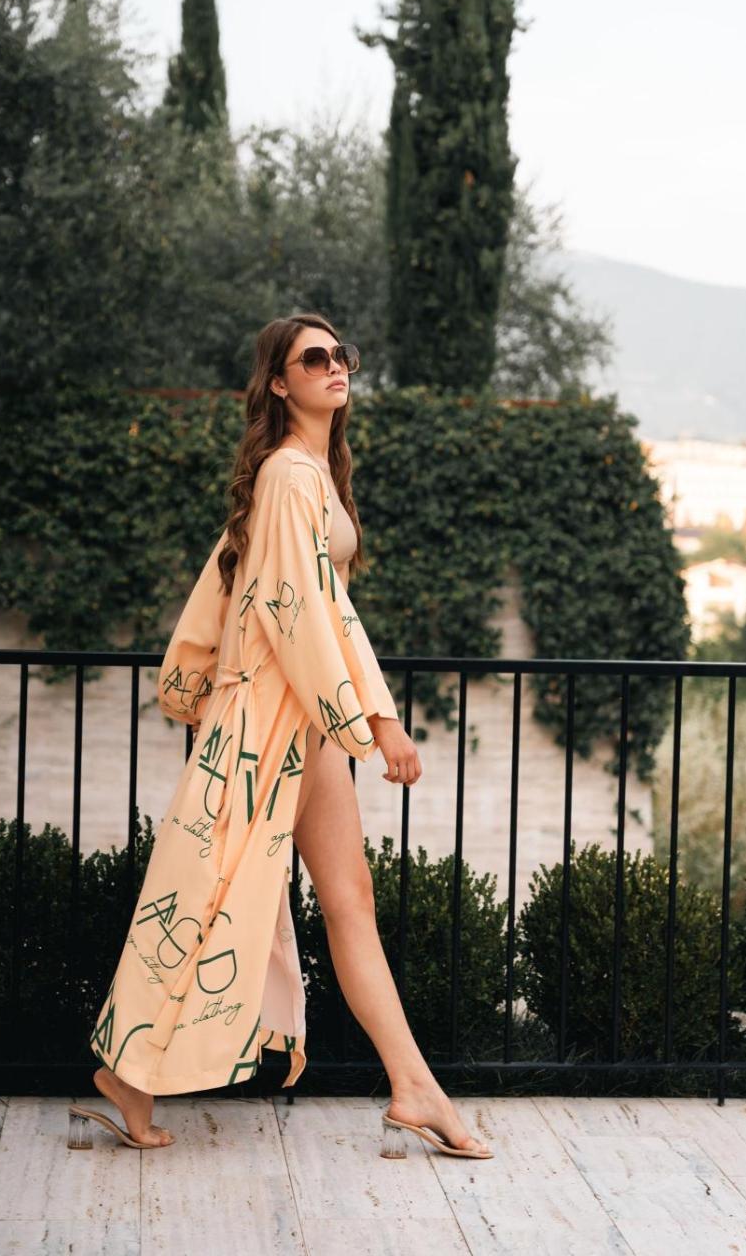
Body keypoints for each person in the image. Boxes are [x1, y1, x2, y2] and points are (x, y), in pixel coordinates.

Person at [77, 312, 491, 1159]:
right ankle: (136, 1075)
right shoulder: (290, 476)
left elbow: (274, 595)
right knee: (222, 895)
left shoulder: (309, 473)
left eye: (343, 355)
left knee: (320, 899)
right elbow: (305, 608)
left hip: (290, 719)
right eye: (314, 358)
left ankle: (410, 1087)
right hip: (272, 722)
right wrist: (377, 719)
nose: (336, 367)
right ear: (278, 381)